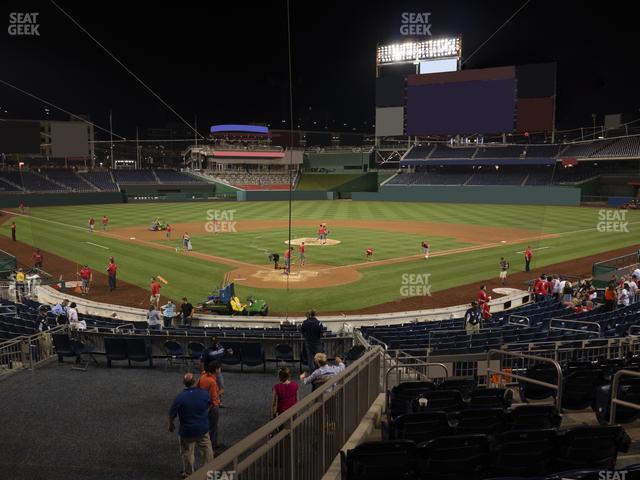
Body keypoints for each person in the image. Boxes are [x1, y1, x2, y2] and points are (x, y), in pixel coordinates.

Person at [168, 373, 214, 477]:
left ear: (183, 383)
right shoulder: (204, 393)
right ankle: (208, 471)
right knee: (207, 449)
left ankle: (189, 473)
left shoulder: (179, 398)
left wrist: (170, 425)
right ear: (194, 381)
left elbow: (172, 414)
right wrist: (204, 415)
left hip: (187, 431)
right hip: (202, 428)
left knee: (187, 452)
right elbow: (210, 405)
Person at [196, 362, 221, 449]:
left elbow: (197, 388)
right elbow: (213, 398)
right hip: (212, 407)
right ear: (216, 370)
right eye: (219, 368)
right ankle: (212, 447)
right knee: (213, 427)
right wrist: (216, 403)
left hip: (204, 405)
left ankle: (214, 443)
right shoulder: (212, 381)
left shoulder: (202, 377)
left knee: (211, 426)